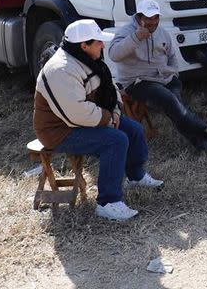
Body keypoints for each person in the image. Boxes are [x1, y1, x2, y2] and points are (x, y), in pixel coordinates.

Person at [33, 19, 162, 221]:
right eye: (98, 42)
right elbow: (76, 113)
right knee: (116, 140)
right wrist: (109, 119)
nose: (103, 45)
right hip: (59, 131)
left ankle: (135, 176)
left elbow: (111, 88)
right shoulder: (61, 70)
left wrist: (116, 112)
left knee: (134, 130)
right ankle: (108, 202)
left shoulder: (86, 57)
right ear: (84, 45)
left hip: (82, 120)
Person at [108, 0, 207, 152]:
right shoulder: (126, 32)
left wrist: (174, 74)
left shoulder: (162, 32)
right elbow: (114, 54)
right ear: (139, 17)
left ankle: (202, 143)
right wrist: (136, 37)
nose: (153, 22)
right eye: (148, 18)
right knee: (172, 102)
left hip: (165, 78)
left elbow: (172, 56)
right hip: (138, 82)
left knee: (175, 106)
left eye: (156, 17)